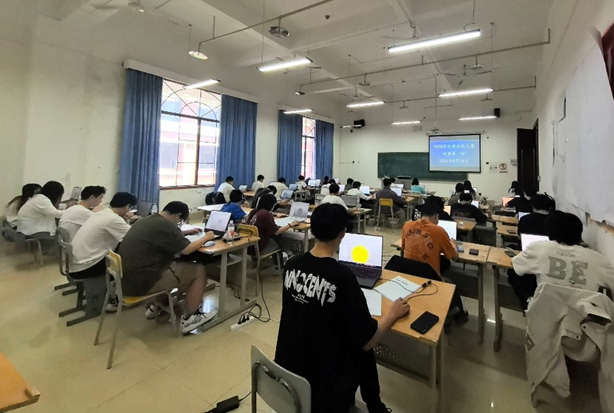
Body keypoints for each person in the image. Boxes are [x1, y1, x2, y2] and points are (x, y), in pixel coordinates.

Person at [275, 203, 410, 413]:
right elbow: (368, 342)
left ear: (312, 230)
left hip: (285, 375)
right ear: (342, 233)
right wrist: (392, 314)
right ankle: (376, 408)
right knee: (363, 350)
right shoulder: (342, 276)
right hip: (322, 391)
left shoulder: (291, 265)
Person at [118, 201, 219, 334]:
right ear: (177, 216)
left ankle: (155, 307)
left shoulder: (148, 220)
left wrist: (185, 232)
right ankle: (191, 317)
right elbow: (187, 250)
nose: (178, 224)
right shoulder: (166, 226)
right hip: (143, 282)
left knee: (174, 266)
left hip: (127, 279)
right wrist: (206, 237)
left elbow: (163, 235)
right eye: (179, 221)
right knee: (198, 270)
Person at [510, 211, 614, 309]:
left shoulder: (538, 248)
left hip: (544, 312)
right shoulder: (597, 259)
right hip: (582, 316)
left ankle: (527, 302)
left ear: (549, 231)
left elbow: (517, 265)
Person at [401, 203, 467, 320]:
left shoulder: (407, 225)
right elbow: (454, 257)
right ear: (436, 217)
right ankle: (459, 315)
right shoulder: (439, 231)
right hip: (430, 278)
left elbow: (403, 247)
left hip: (408, 275)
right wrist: (453, 244)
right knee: (451, 284)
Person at [69, 192, 136, 281]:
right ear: (127, 206)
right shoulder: (113, 219)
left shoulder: (103, 213)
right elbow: (135, 235)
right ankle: (122, 286)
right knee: (133, 255)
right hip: (85, 268)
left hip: (76, 263)